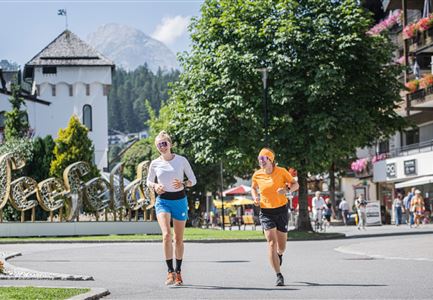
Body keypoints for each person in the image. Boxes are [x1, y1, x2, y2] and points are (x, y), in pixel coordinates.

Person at [146, 131, 197, 286]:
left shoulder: (181, 160)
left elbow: (193, 180)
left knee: (178, 239)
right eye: (159, 144)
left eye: (164, 143)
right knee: (166, 235)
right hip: (163, 201)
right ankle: (170, 272)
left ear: (170, 144)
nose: (162, 146)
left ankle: (179, 272)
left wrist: (183, 183)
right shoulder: (154, 163)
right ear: (157, 147)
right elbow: (148, 181)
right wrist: (155, 186)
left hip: (180, 200)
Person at [251, 148, 299, 287]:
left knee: (281, 247)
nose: (261, 162)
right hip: (266, 212)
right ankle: (278, 275)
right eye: (259, 159)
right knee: (271, 243)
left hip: (281, 211)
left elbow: (296, 184)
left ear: (270, 160)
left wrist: (286, 190)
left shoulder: (282, 171)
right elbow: (253, 188)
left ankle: (279, 255)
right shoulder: (257, 175)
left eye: (264, 159)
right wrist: (255, 198)